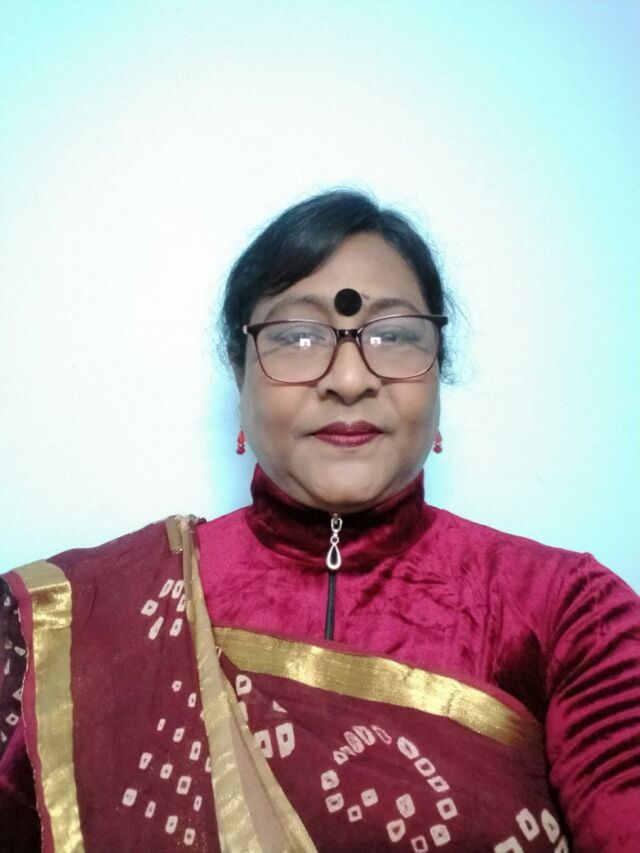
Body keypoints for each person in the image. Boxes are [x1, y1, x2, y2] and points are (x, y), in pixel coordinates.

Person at [1, 190, 638, 852]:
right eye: (298, 337)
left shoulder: (568, 611)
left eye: (394, 335)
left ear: (437, 374)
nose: (350, 379)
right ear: (240, 376)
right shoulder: (76, 619)